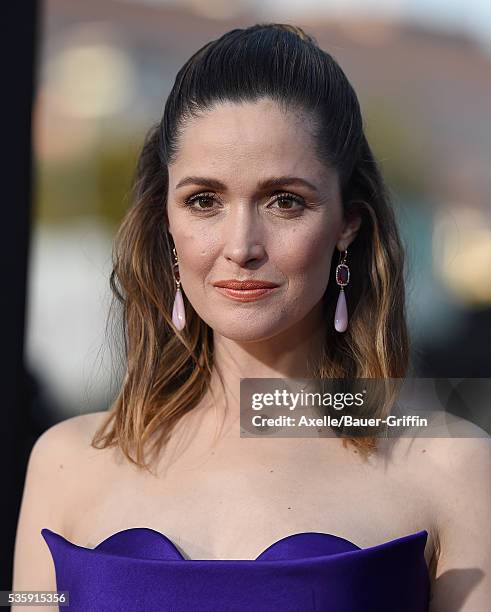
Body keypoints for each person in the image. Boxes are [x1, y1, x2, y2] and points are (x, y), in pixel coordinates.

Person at [12, 23, 490, 611]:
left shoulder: (453, 468)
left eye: (285, 201)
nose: (241, 246)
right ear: (166, 223)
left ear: (348, 224)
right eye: (203, 201)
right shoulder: (64, 461)